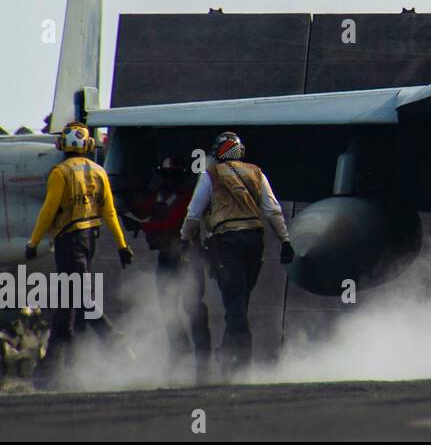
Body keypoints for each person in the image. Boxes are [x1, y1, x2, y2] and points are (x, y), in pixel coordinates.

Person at [24, 122, 134, 376]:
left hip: (68, 243)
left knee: (79, 302)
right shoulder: (98, 172)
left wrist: (33, 241)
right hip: (88, 241)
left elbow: (49, 210)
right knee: (70, 302)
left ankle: (119, 349)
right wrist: (122, 245)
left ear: (63, 145)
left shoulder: (59, 173)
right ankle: (58, 366)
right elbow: (109, 211)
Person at [179, 131, 293, 376]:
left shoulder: (211, 175)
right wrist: (285, 240)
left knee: (235, 303)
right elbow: (273, 210)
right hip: (254, 243)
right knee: (239, 301)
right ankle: (230, 354)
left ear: (219, 151)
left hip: (226, 243)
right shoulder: (256, 172)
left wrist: (184, 238)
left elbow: (194, 212)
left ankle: (239, 362)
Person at [124, 156, 212, 382]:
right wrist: (126, 201)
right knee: (166, 304)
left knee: (192, 306)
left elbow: (173, 223)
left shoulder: (186, 198)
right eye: (165, 174)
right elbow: (144, 210)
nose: (168, 179)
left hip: (187, 255)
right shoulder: (161, 194)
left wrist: (143, 226)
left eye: (173, 175)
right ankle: (179, 347)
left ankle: (203, 358)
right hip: (167, 256)